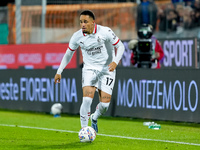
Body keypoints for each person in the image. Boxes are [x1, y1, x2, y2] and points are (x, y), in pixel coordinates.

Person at [54, 10, 125, 133]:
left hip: (107, 70)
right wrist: (59, 71)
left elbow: (121, 46)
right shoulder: (77, 36)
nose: (83, 25)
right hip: (89, 69)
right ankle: (84, 130)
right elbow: (68, 54)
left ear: (93, 22)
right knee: (87, 99)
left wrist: (115, 61)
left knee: (104, 106)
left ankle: (94, 117)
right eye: (81, 22)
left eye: (85, 22)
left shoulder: (105, 31)